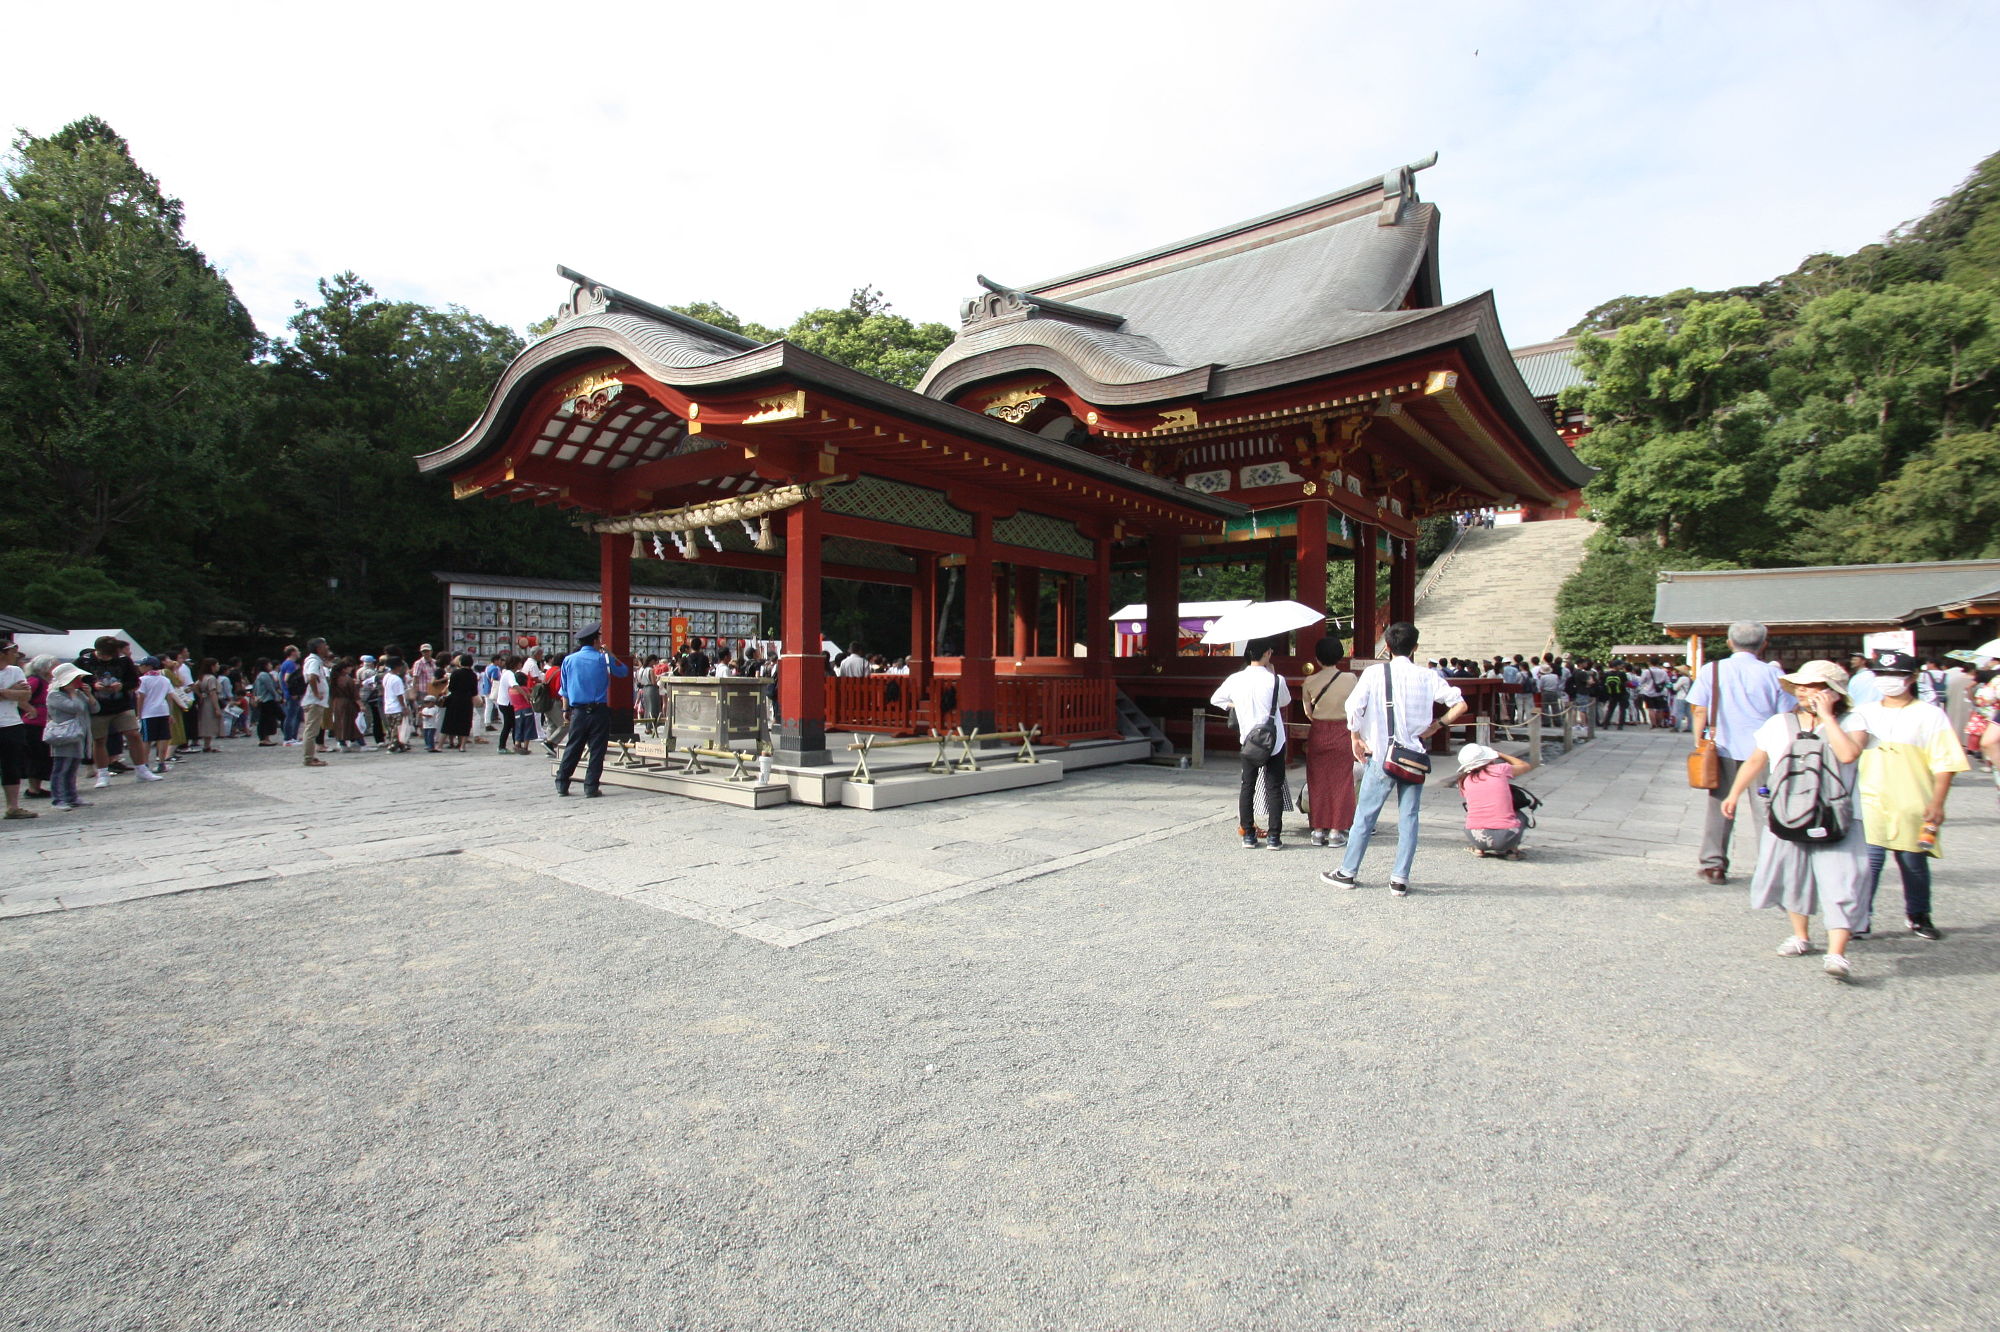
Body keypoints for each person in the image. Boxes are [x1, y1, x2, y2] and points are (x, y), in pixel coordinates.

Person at [1721, 660, 1869, 982]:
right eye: (1801, 686)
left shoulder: (1853, 721)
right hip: (1787, 811)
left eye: (1813, 686)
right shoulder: (1779, 723)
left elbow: (1848, 755)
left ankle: (1837, 952)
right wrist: (1733, 794)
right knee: (1791, 876)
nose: (1803, 691)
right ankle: (1801, 935)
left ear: (1833, 692)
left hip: (1836, 813)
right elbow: (1757, 759)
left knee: (1841, 879)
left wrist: (1828, 718)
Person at [1319, 621, 1467, 895]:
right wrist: (1439, 724)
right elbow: (1460, 704)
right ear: (1415, 648)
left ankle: (1348, 871)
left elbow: (1354, 707)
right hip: (1414, 756)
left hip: (1382, 755)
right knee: (1409, 816)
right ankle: (1400, 877)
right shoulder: (1428, 676)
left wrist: (1355, 737)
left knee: (1365, 815)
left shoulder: (1376, 673)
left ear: (1386, 647)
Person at [1850, 650, 1966, 941]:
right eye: (1882, 674)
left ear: (1912, 678)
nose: (1889, 681)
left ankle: (1918, 914)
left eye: (1897, 675)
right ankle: (1860, 916)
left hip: (1913, 799)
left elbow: (1945, 763)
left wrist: (1938, 803)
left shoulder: (1930, 715)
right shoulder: (1863, 713)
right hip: (1870, 797)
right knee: (1869, 863)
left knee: (1913, 861)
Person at [1687, 621, 1789, 884]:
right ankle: (1770, 866)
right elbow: (1786, 713)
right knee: (1766, 808)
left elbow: (1699, 709)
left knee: (1720, 805)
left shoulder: (1713, 670)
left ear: (1729, 642)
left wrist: (1699, 740)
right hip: (1764, 750)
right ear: (1763, 644)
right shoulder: (1773, 674)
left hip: (1723, 747)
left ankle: (1713, 864)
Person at [1211, 636, 1293, 849]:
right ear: (1267, 653)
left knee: (1247, 786)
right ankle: (1274, 836)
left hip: (1249, 739)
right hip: (1274, 739)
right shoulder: (1276, 679)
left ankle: (1248, 834)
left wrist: (1234, 704)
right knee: (1274, 787)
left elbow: (1216, 699)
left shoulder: (1235, 679)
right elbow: (1285, 701)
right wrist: (1273, 675)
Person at [555, 622, 629, 797]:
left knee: (573, 747)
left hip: (578, 712)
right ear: (596, 641)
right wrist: (609, 653)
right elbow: (623, 671)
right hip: (599, 711)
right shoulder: (601, 659)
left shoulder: (568, 660)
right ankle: (590, 786)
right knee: (597, 750)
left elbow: (564, 689)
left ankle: (562, 782)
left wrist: (566, 711)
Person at [1299, 635, 1358, 848]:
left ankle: (1317, 830)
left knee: (1318, 782)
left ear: (1317, 658)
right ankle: (1336, 830)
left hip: (1319, 731)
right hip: (1342, 730)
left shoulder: (1309, 681)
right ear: (1340, 656)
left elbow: (1309, 712)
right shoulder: (1350, 679)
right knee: (1341, 781)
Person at [78, 636, 157, 787]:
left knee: (133, 734)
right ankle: (102, 774)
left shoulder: (123, 660)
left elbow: (135, 680)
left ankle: (142, 769)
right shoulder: (84, 661)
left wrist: (122, 686)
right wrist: (93, 685)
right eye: (105, 654)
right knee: (99, 740)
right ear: (98, 651)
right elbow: (75, 680)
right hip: (97, 706)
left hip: (121, 704)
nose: (108, 657)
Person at [1453, 742, 1534, 858]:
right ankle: (1512, 850)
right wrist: (1500, 754)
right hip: (1506, 836)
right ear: (1488, 758)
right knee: (1521, 816)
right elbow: (1525, 765)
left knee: (1475, 813)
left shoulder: (1463, 781)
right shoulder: (1499, 770)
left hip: (1475, 836)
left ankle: (1479, 849)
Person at [42, 662, 98, 811]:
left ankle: (72, 796)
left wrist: (89, 695)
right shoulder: (54, 695)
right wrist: (73, 694)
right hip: (63, 735)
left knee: (72, 768)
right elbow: (75, 708)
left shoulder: (79, 694)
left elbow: (95, 708)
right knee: (61, 768)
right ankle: (58, 799)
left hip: (78, 735)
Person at [0, 638, 36, 820]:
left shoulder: (15, 671)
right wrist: (10, 691)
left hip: (11, 723)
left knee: (12, 765)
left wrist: (4, 692)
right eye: (12, 652)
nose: (15, 655)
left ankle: (13, 807)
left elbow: (26, 694)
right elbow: (18, 694)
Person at [19, 653, 57, 802]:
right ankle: (33, 788)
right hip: (34, 724)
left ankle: (36, 787)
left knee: (42, 755)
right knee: (36, 755)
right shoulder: (35, 681)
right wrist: (31, 709)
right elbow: (21, 698)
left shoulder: (44, 681)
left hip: (42, 723)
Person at [134, 656, 174, 775]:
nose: (140, 667)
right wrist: (171, 713)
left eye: (142, 665)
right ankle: (161, 763)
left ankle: (145, 764)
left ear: (148, 666)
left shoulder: (142, 680)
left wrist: (139, 713)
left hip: (148, 712)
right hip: (163, 710)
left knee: (147, 739)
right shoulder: (165, 679)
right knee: (163, 738)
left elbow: (141, 697)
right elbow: (170, 696)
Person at [300, 638, 332, 767]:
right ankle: (309, 758)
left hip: (314, 700)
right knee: (311, 730)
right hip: (314, 701)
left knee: (311, 730)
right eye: (325, 646)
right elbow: (312, 677)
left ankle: (310, 756)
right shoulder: (314, 661)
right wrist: (316, 693)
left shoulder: (315, 661)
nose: (327, 648)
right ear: (319, 648)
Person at [441, 654, 477, 751]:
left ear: (460, 662)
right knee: (465, 723)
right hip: (467, 700)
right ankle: (462, 746)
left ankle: (439, 746)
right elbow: (474, 691)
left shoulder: (455, 673)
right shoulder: (473, 675)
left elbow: (451, 687)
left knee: (448, 722)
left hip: (454, 699)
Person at [193, 658, 224, 752]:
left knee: (206, 722)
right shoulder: (211, 678)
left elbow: (194, 686)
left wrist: (200, 695)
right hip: (210, 702)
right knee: (210, 722)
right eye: (217, 664)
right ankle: (207, 745)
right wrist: (217, 708)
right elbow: (213, 693)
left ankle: (207, 744)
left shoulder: (202, 677)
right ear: (212, 666)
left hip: (204, 701)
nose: (218, 666)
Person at [252, 659, 283, 745]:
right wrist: (277, 697)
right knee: (267, 719)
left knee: (264, 719)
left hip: (262, 700)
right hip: (267, 700)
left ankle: (265, 738)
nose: (271, 666)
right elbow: (270, 688)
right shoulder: (264, 675)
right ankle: (264, 738)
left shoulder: (259, 675)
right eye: (269, 664)